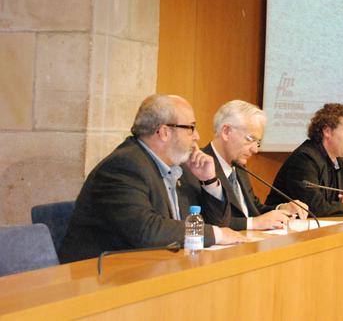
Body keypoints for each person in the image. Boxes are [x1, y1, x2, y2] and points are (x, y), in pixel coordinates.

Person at [58, 94, 248, 263]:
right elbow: (146, 230)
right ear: (164, 132)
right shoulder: (123, 167)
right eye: (191, 128)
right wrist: (216, 234)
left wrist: (209, 181)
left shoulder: (180, 167)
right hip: (101, 276)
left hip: (156, 267)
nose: (197, 136)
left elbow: (218, 223)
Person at [202, 100, 308, 230]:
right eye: (250, 139)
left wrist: (282, 208)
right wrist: (253, 223)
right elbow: (205, 221)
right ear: (226, 131)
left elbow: (253, 209)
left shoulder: (239, 166)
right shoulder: (198, 167)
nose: (255, 149)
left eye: (258, 142)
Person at [265, 103, 343, 216]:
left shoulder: (338, 161)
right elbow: (313, 207)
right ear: (327, 131)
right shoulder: (304, 159)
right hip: (283, 225)